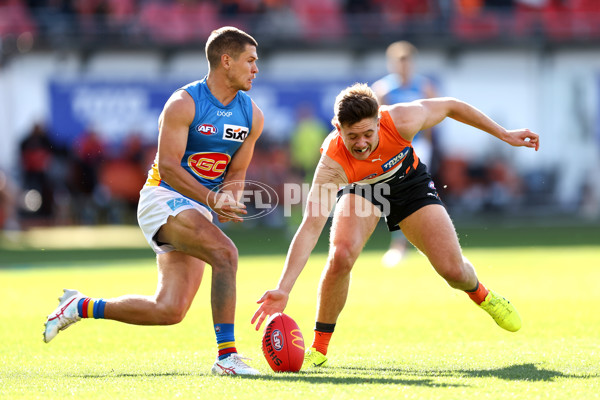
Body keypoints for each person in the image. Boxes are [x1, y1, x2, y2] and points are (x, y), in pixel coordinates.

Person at [252, 83, 539, 369]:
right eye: (352, 136)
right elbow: (310, 227)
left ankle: (483, 295)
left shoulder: (402, 119)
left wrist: (504, 134)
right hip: (363, 190)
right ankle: (320, 348)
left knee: (453, 272)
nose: (361, 143)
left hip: (408, 185)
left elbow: (451, 105)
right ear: (338, 129)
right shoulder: (332, 164)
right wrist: (284, 288)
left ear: (379, 121)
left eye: (367, 133)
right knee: (341, 256)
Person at [44, 26, 264, 376]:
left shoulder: (252, 115)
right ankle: (227, 357)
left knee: (169, 310)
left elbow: (237, 171)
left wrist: (229, 198)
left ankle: (80, 305)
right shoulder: (184, 103)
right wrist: (211, 198)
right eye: (250, 60)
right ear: (226, 61)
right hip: (163, 198)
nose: (256, 68)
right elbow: (168, 166)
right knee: (226, 254)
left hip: (198, 207)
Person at [372, 40, 438, 267]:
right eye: (398, 62)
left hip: (419, 146)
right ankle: (401, 244)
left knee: (418, 193)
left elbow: (432, 120)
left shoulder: (424, 86)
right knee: (398, 195)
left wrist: (429, 147)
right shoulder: (383, 89)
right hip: (395, 149)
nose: (403, 66)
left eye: (407, 61)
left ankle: (428, 242)